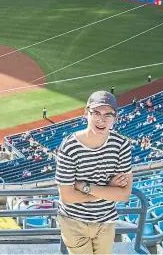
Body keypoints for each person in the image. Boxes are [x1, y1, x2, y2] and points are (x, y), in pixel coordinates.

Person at [55, 90, 132, 255]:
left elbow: (124, 194)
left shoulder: (122, 145)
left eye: (108, 114)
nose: (101, 119)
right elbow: (67, 197)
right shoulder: (69, 146)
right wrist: (109, 189)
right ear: (86, 113)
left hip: (106, 221)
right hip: (73, 221)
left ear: (115, 118)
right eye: (96, 112)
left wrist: (85, 187)